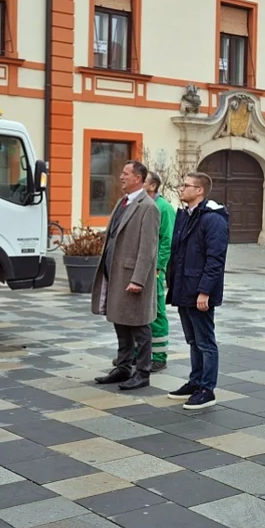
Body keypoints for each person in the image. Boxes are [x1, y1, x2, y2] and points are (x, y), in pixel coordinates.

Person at [91, 160, 161, 391]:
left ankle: (142, 372)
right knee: (120, 321)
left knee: (139, 326)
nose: (121, 176)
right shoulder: (123, 202)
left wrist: (138, 279)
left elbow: (148, 248)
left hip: (132, 276)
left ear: (138, 178)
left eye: (126, 173)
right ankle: (123, 367)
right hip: (116, 273)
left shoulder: (148, 207)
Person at [166, 172, 229, 410]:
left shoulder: (213, 219)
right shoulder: (186, 215)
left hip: (198, 291)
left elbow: (215, 259)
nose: (181, 189)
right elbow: (180, 254)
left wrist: (205, 292)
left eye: (186, 185)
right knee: (193, 340)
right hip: (184, 287)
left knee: (205, 341)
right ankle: (195, 382)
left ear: (199, 190)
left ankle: (207, 389)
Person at [119, 171, 176, 372]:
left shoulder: (163, 208)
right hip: (137, 268)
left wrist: (159, 267)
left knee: (156, 311)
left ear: (151, 186)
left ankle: (159, 356)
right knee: (136, 312)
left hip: (154, 270)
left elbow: (167, 241)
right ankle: (136, 354)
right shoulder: (137, 204)